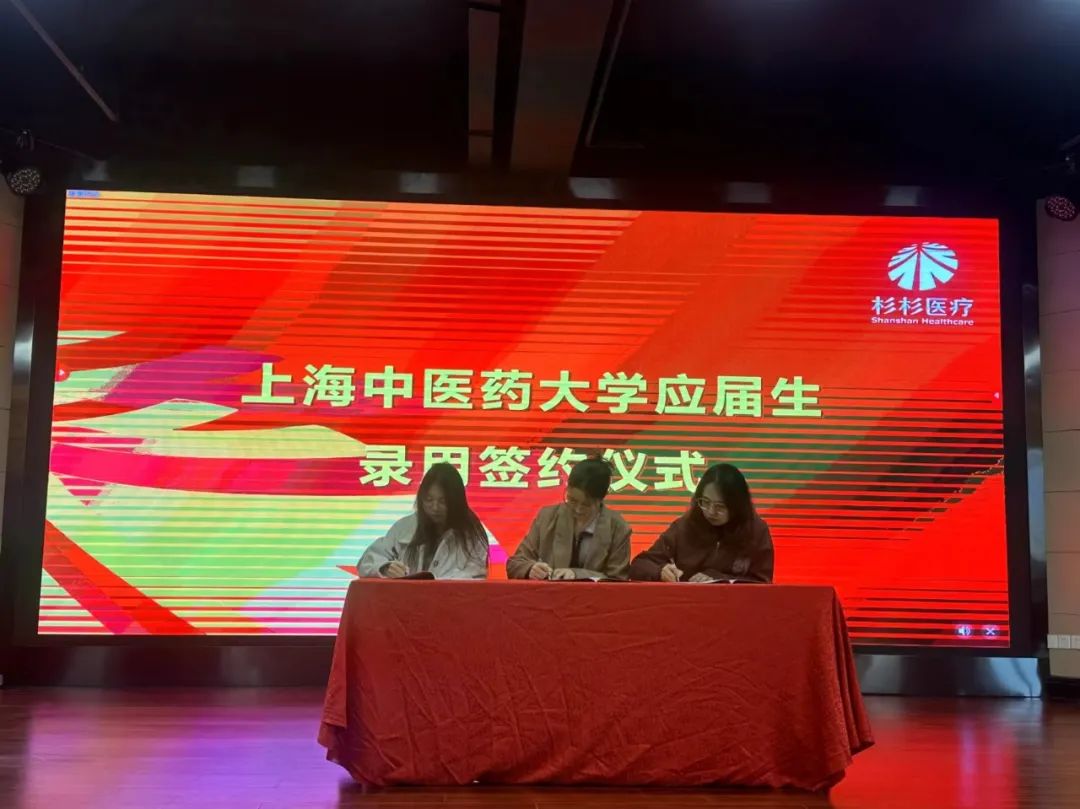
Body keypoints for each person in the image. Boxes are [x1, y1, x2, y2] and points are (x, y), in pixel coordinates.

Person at [629, 463, 774, 583]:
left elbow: (762, 583)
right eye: (705, 502)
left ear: (737, 506)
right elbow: (639, 565)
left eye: (720, 506)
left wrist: (719, 579)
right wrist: (659, 571)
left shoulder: (756, 531)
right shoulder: (684, 526)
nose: (711, 511)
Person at [506, 456, 632, 581]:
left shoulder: (617, 527)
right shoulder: (547, 517)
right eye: (572, 500)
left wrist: (577, 574)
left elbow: (618, 579)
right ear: (567, 487)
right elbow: (515, 563)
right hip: (548, 593)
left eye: (586, 505)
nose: (577, 509)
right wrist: (530, 569)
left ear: (601, 499)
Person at [356, 463, 488, 579]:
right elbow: (367, 561)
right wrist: (385, 568)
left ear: (456, 501)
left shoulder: (472, 534)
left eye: (443, 501)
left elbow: (476, 576)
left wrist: (436, 583)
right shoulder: (405, 527)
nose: (435, 507)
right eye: (429, 500)